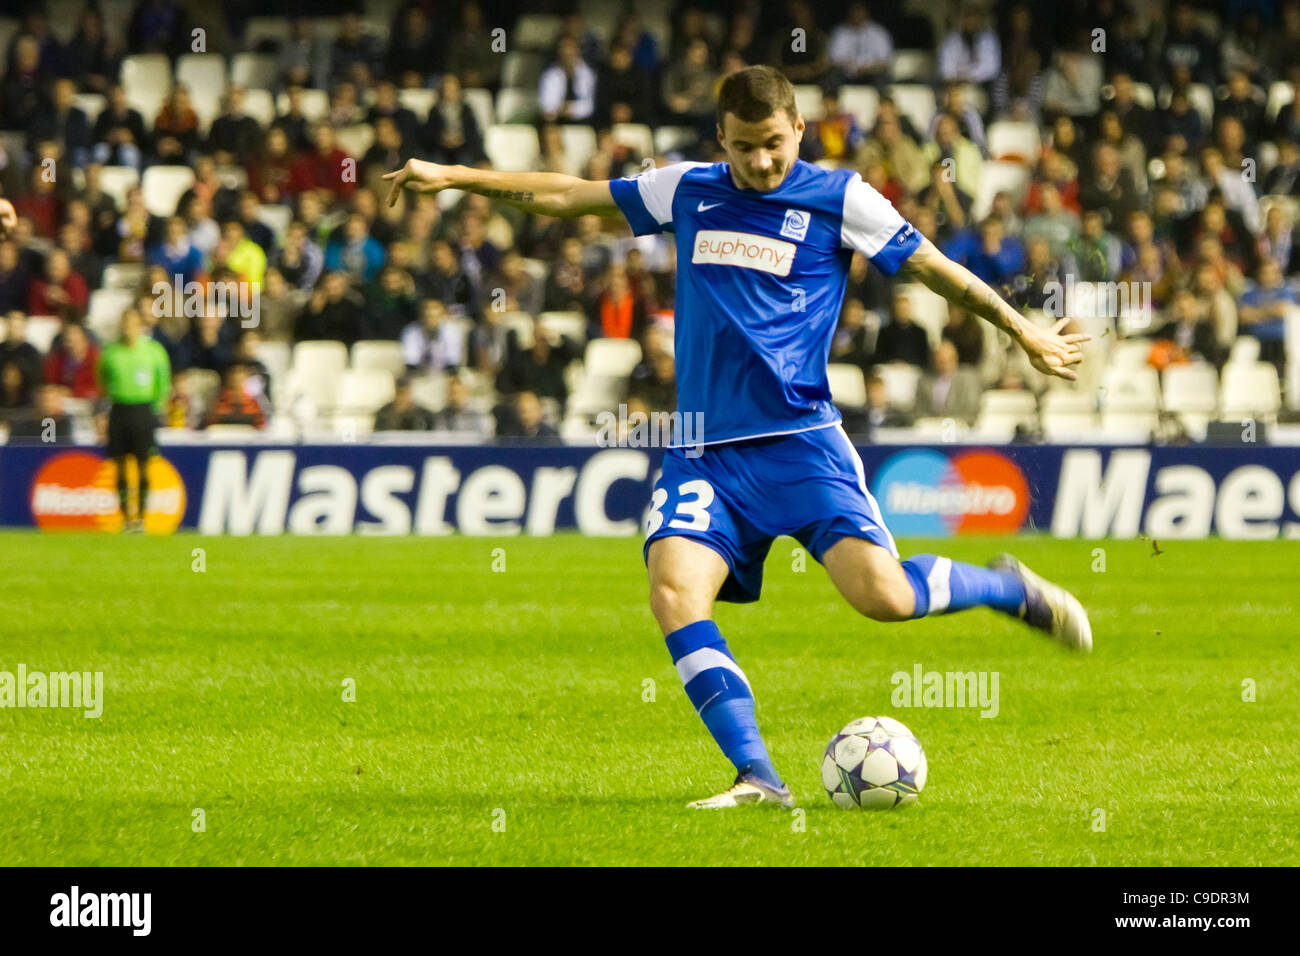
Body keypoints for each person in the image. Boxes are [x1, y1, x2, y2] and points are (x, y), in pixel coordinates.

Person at [399, 64, 1098, 811]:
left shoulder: (839, 198)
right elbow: (571, 197)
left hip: (803, 443)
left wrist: (1023, 329)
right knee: (673, 590)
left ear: (799, 129)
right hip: (704, 449)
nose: (760, 163)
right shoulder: (690, 189)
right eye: (743, 149)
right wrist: (454, 176)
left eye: (772, 144)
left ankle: (1005, 587)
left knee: (886, 599)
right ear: (720, 141)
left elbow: (935, 269)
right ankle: (758, 776)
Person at [97, 307, 171, 532]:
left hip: (143, 410)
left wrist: (156, 407)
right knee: (119, 464)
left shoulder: (153, 351)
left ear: (140, 325)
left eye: (132, 323)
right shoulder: (110, 352)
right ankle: (125, 517)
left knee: (143, 465)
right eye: (125, 323)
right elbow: (101, 380)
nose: (128, 328)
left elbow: (163, 382)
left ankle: (140, 517)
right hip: (119, 409)